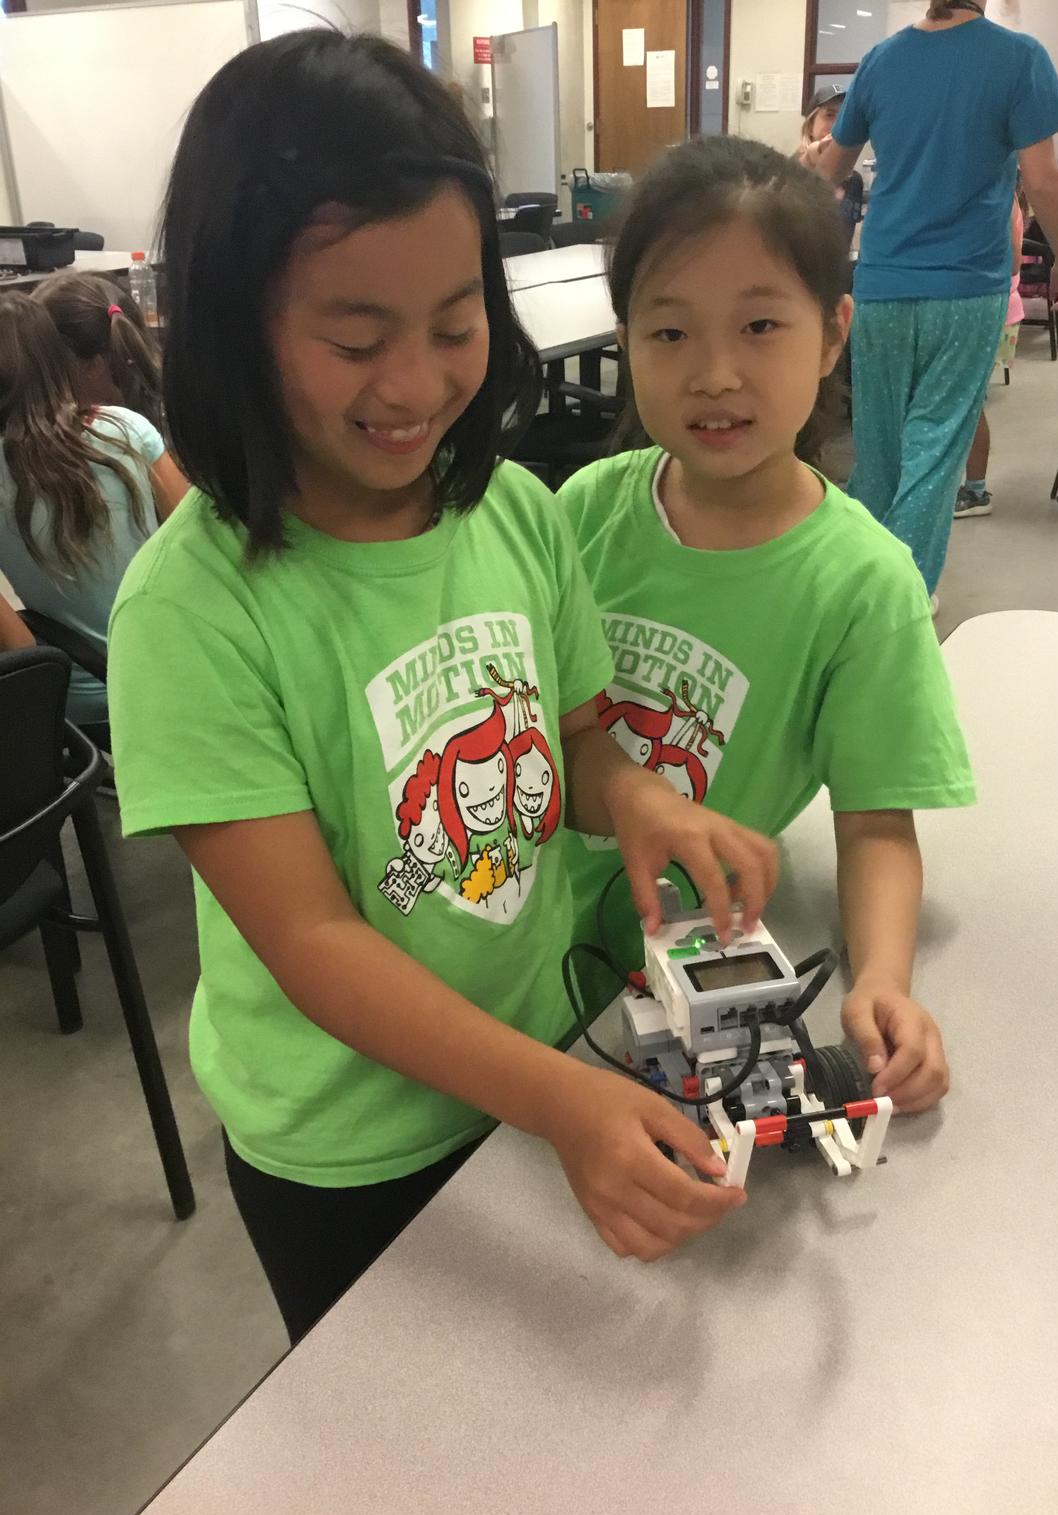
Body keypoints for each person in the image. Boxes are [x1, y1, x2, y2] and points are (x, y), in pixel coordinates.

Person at [107, 31, 779, 1343]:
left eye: (456, 324)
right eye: (356, 340)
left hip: (531, 1070)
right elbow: (313, 944)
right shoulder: (192, 609)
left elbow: (577, 741)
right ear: (241, 322)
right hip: (345, 1151)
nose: (415, 385)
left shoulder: (514, 515)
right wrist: (560, 1100)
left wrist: (637, 801)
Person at [559, 137, 976, 1117]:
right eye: (669, 334)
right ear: (625, 338)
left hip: (688, 976)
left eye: (758, 325)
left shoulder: (863, 581)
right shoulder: (580, 510)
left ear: (833, 335)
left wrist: (881, 979)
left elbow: (877, 820)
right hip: (526, 948)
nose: (715, 374)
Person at [802, 0, 1058, 602]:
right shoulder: (1019, 58)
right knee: (934, 446)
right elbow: (1040, 177)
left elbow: (832, 170)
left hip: (883, 283)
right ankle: (900, 599)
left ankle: (856, 588)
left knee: (877, 449)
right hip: (966, 284)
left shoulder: (881, 59)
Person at [0, 294, 186, 747]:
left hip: (84, 704)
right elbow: (200, 540)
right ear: (56, 360)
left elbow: (20, 646)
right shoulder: (126, 429)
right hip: (180, 675)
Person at [956, 187, 1026, 518]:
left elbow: (1012, 261)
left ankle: (976, 491)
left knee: (968, 404)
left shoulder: (998, 196)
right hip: (984, 308)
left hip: (992, 310)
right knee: (965, 402)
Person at [34, 272, 166, 435]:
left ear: (93, 366)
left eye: (44, 365)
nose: (34, 380)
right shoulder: (162, 406)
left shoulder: (110, 439)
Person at [795, 84, 863, 248]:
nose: (837, 124)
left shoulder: (854, 181)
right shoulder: (790, 170)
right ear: (811, 124)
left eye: (843, 117)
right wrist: (813, 155)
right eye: (829, 115)